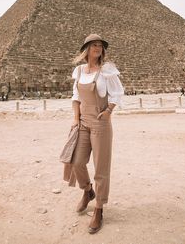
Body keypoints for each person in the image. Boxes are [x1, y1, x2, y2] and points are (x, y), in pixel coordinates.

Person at [68, 33, 124, 234]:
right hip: (83, 122)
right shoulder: (79, 70)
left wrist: (108, 111)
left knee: (101, 168)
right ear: (86, 49)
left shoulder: (107, 71)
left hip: (100, 124)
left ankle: (99, 208)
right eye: (94, 45)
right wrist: (75, 120)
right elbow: (76, 97)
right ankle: (87, 190)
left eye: (100, 45)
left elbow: (118, 93)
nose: (98, 48)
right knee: (77, 161)